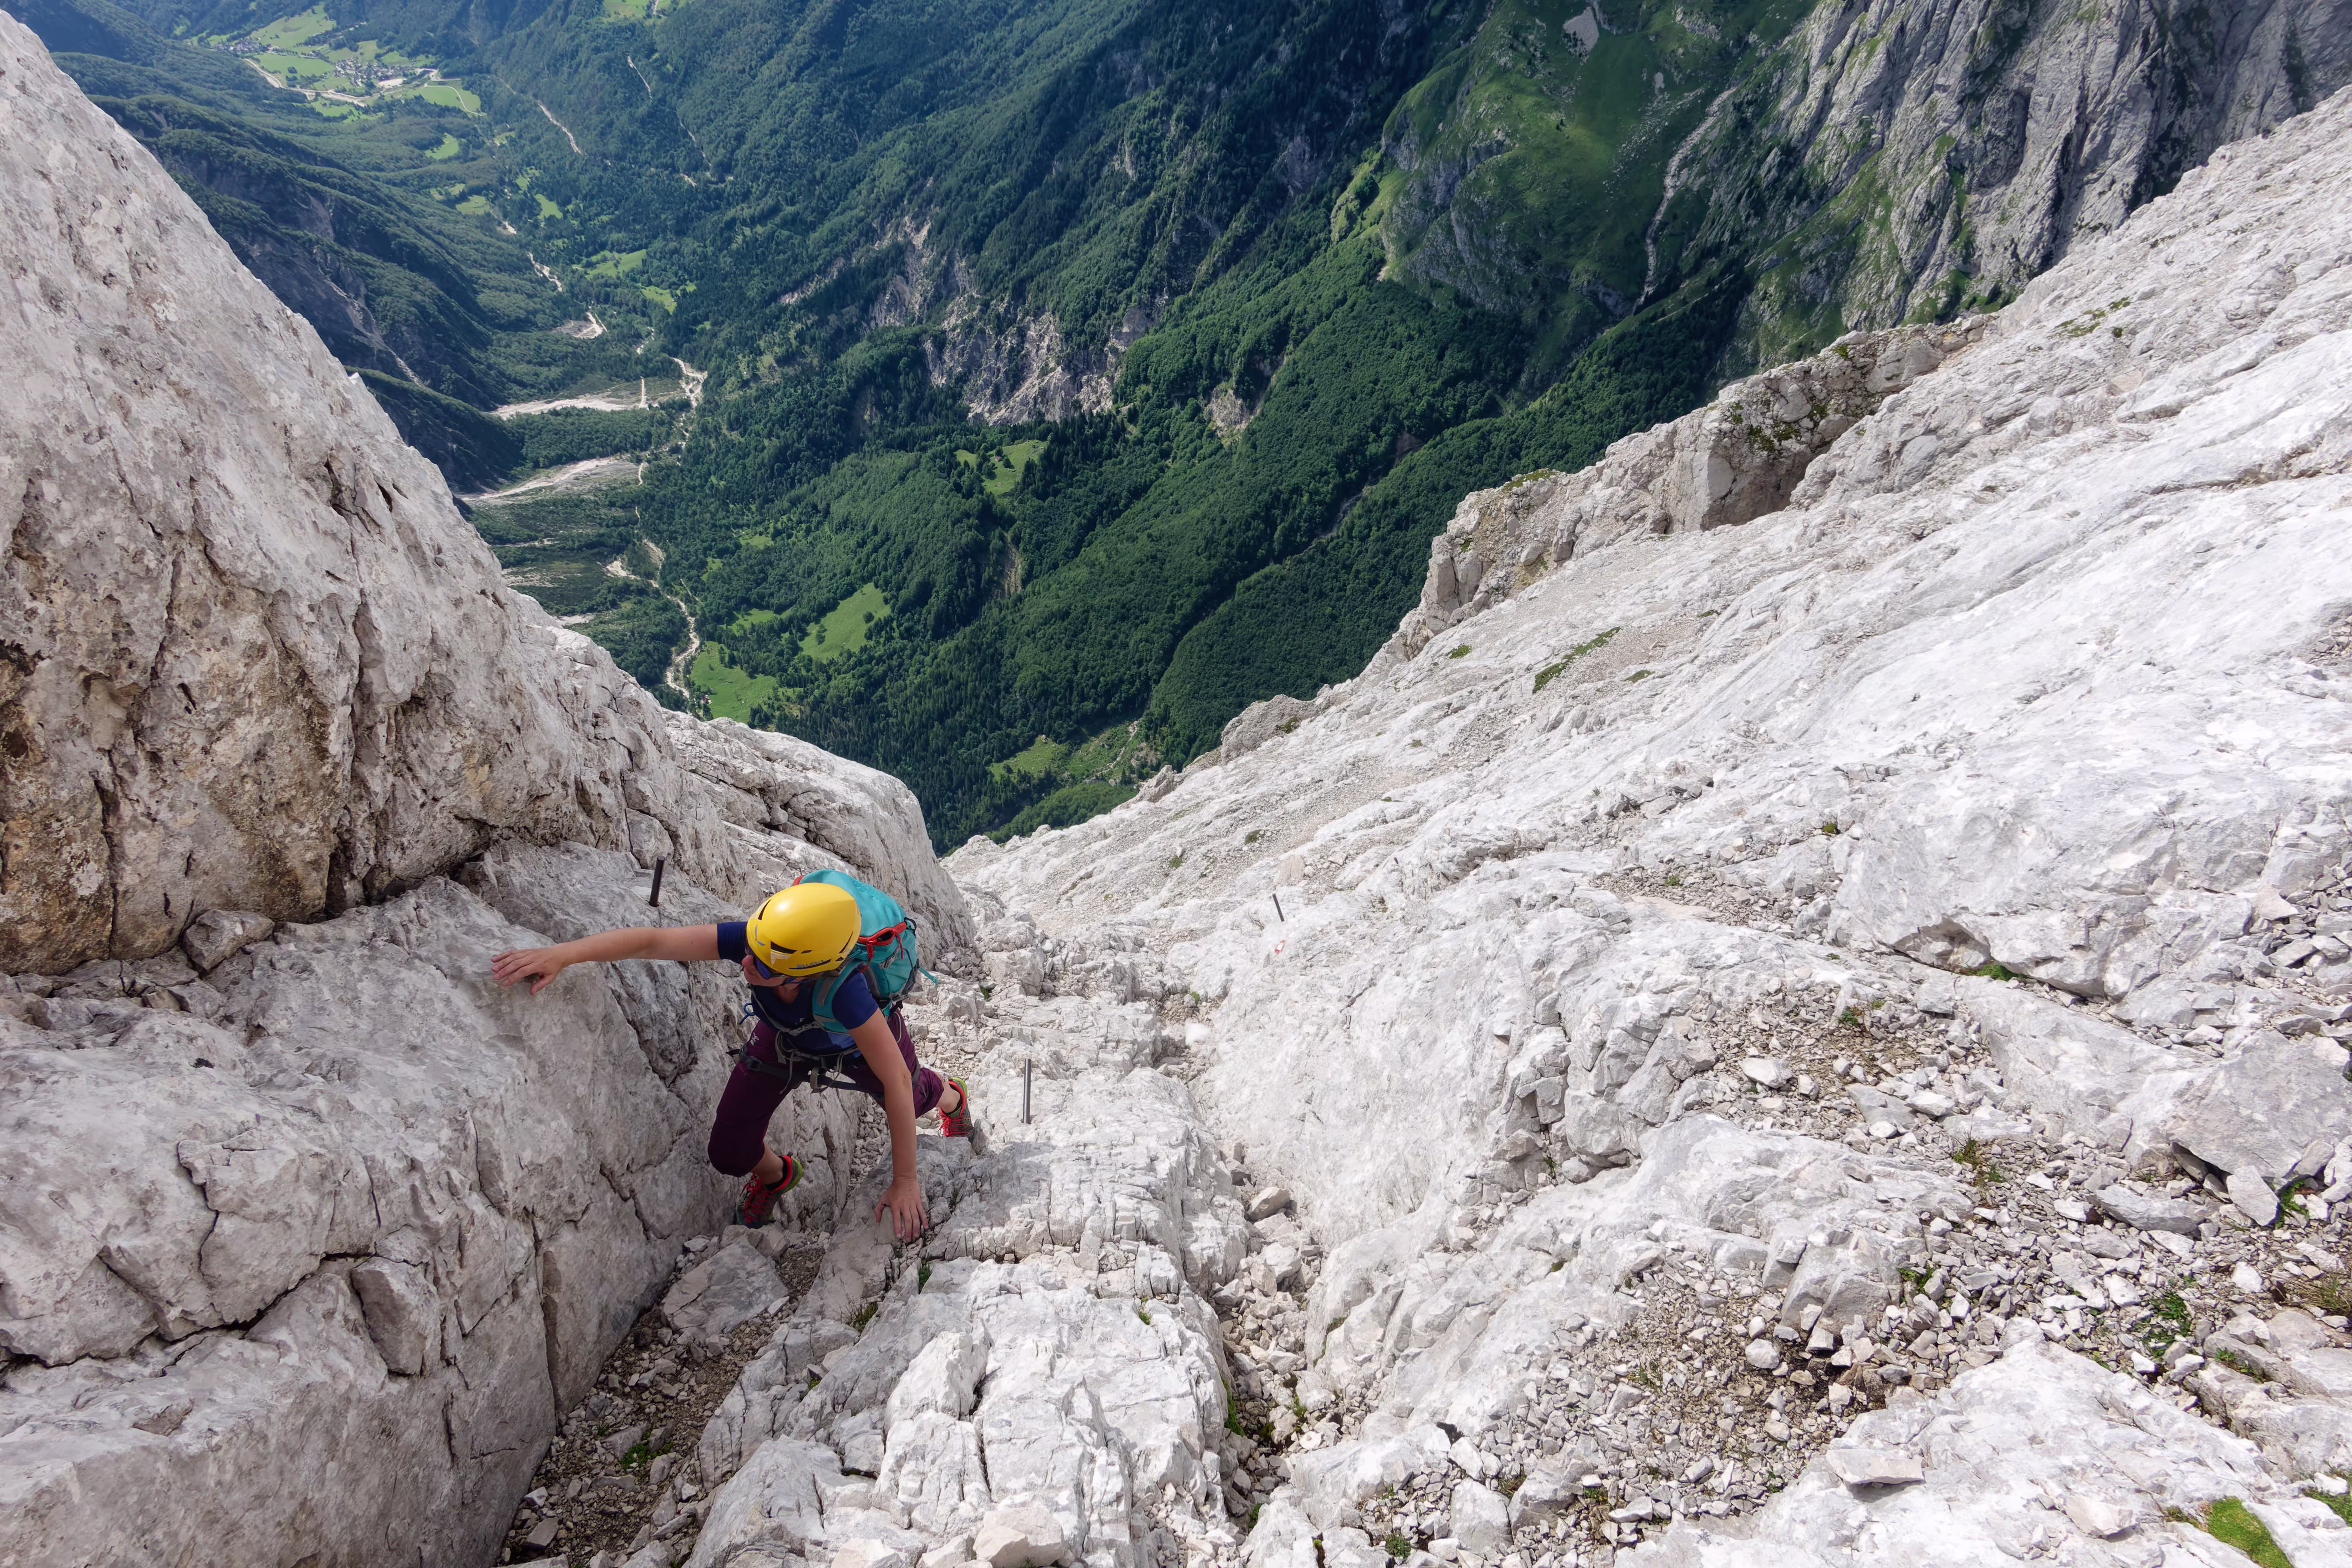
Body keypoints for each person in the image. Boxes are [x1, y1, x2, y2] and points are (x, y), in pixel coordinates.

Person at [489, 880, 968, 1241]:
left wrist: (906, 1180)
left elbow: (895, 1084)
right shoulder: (765, 943)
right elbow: (655, 943)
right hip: (785, 1041)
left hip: (852, 1047)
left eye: (762, 966)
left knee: (913, 1092)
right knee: (729, 1152)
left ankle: (952, 1097)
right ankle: (778, 1175)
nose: (746, 964)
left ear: (803, 973)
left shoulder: (847, 995)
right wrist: (563, 954)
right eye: (751, 951)